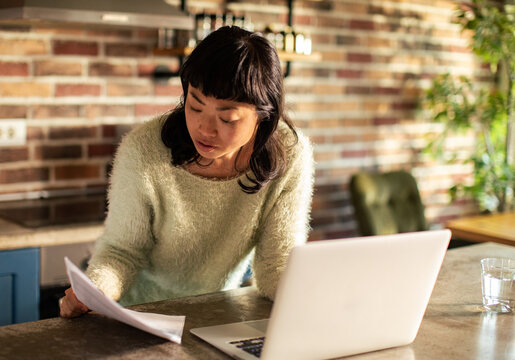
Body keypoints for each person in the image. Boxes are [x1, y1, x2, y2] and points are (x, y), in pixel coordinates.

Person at [60, 26, 314, 318]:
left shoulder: (290, 155)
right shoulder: (144, 149)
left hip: (215, 317)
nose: (205, 129)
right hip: (138, 316)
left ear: (263, 115)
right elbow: (122, 252)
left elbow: (276, 265)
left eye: (227, 118)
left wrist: (314, 295)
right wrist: (94, 291)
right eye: (195, 106)